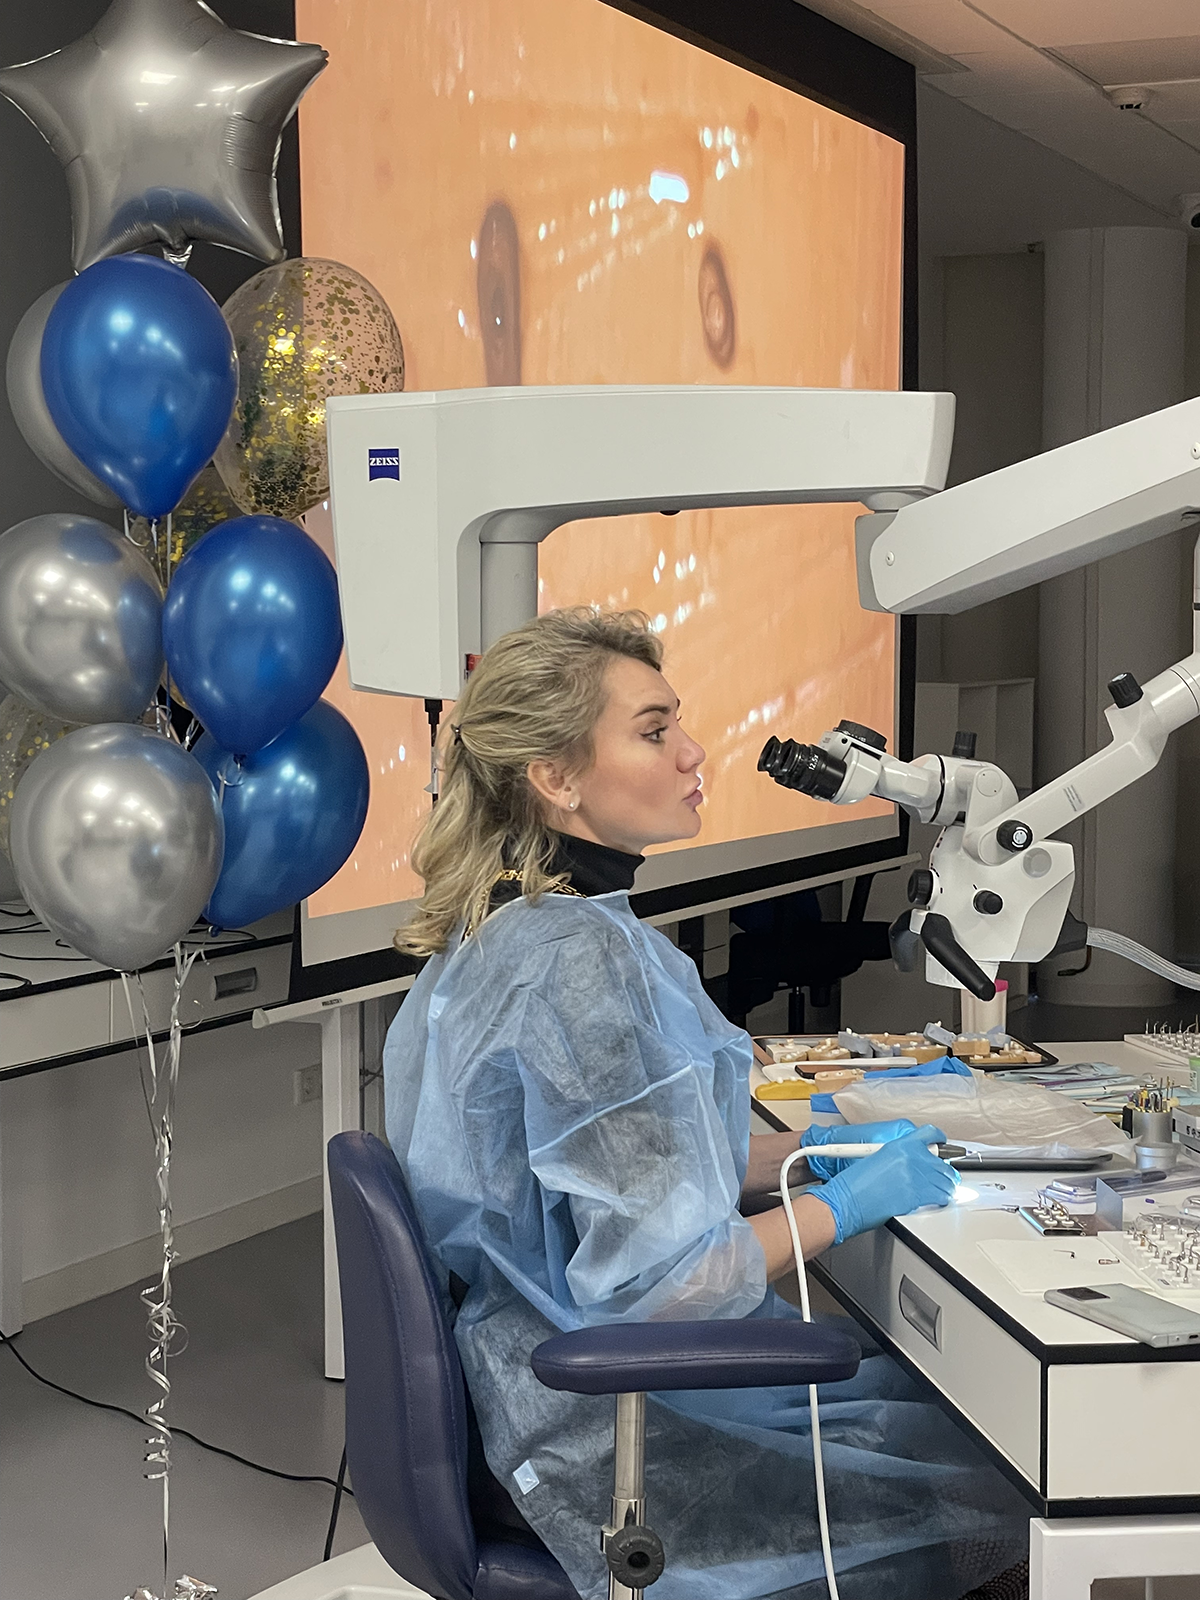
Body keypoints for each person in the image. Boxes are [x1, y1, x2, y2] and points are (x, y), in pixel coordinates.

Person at [383, 608, 1030, 1600]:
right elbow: (664, 1290)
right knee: (1000, 1468)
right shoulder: (581, 966)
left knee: (931, 1408)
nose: (692, 753)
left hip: (529, 1386)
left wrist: (808, 1152)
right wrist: (843, 1205)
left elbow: (601, 1169)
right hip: (612, 1440)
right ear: (554, 775)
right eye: (653, 732)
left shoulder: (502, 930)